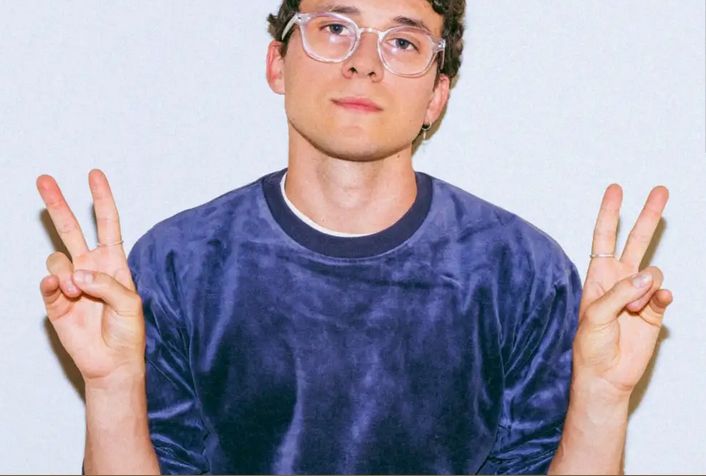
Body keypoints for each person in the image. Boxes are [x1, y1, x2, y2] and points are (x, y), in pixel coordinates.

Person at [36, 0, 673, 474]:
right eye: (335, 28)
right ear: (277, 62)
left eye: (403, 41)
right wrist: (110, 385)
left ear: (437, 96)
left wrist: (604, 396)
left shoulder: (520, 273)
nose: (364, 62)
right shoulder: (177, 266)